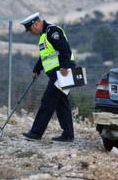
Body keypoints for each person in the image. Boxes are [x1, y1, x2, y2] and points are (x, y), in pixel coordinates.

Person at [20, 12, 76, 142]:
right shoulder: (43, 36)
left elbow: (65, 49)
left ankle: (36, 133)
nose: (30, 32)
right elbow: (45, 57)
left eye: (30, 29)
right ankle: (68, 135)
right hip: (57, 73)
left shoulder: (52, 31)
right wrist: (36, 69)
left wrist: (63, 67)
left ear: (37, 23)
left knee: (47, 101)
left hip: (62, 72)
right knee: (61, 103)